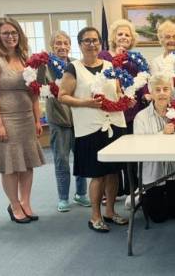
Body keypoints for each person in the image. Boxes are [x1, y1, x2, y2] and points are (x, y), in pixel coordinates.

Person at [58, 26, 129, 233]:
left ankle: (110, 211)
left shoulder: (110, 65)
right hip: (90, 128)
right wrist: (85, 103)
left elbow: (117, 91)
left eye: (95, 40)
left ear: (101, 43)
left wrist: (126, 99)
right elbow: (62, 96)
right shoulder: (73, 68)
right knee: (97, 175)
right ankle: (95, 216)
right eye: (87, 40)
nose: (91, 44)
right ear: (80, 45)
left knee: (114, 172)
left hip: (114, 124)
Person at [0, 17, 46, 224]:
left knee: (27, 163)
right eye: (6, 33)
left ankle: (26, 202)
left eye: (14, 33)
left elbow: (34, 93)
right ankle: (14, 204)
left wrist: (37, 120)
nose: (10, 37)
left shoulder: (27, 59)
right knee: (10, 165)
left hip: (26, 117)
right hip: (6, 119)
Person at [36, 31, 90, 212]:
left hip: (79, 118)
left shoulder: (75, 64)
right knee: (62, 160)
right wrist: (40, 63)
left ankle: (81, 194)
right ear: (52, 46)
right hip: (58, 119)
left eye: (66, 43)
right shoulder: (46, 64)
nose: (62, 47)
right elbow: (35, 85)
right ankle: (63, 198)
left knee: (82, 159)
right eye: (58, 43)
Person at [98, 19, 146, 204]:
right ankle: (112, 191)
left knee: (133, 153)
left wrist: (145, 95)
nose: (123, 37)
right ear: (113, 37)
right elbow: (104, 79)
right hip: (113, 112)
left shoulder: (135, 57)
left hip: (133, 111)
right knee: (115, 152)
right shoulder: (104, 56)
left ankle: (132, 190)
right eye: (120, 34)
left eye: (127, 34)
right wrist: (117, 59)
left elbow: (142, 80)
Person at [134, 75, 175, 223]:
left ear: (170, 92)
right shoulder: (141, 117)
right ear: (151, 93)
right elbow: (139, 147)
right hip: (154, 174)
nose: (161, 93)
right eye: (157, 90)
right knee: (158, 217)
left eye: (165, 89)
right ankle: (140, 197)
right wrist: (162, 134)